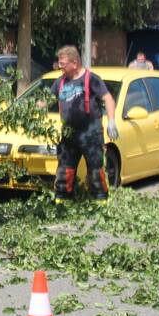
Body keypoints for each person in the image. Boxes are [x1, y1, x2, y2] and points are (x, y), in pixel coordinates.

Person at [52, 45, 118, 202]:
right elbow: (45, 100)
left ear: (74, 63)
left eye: (63, 64)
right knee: (64, 169)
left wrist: (112, 121)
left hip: (91, 132)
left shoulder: (92, 79)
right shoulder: (60, 82)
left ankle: (100, 200)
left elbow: (108, 98)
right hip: (68, 133)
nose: (59, 66)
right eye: (59, 63)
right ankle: (62, 200)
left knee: (95, 169)